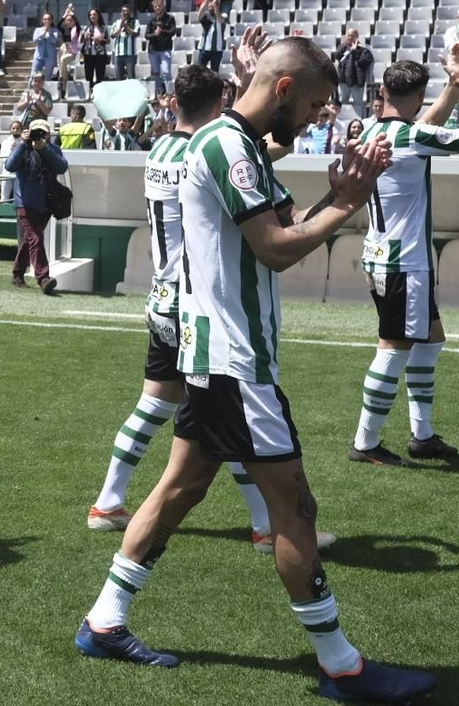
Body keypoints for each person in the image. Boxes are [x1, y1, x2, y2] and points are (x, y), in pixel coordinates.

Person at [73, 35, 437, 706]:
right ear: (284, 90)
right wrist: (349, 202)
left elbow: (277, 221)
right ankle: (342, 666)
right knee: (294, 511)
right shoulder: (226, 143)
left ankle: (104, 619)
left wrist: (332, 196)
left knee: (180, 489)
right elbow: (274, 248)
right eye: (315, 105)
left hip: (218, 358)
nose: (316, 118)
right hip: (236, 364)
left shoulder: (233, 142)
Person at [89, 62, 322, 557]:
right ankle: (265, 526)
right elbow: (254, 162)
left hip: (161, 295)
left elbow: (255, 149)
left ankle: (109, 500)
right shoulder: (210, 149)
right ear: (220, 103)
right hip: (197, 301)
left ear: (174, 102)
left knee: (165, 408)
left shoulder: (162, 149)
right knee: (225, 407)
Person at [350, 51, 459, 467]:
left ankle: (422, 436)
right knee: (394, 348)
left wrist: (454, 83)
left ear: (382, 91)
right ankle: (365, 442)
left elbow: (423, 123)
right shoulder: (412, 138)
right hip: (403, 263)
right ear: (419, 94)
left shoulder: (373, 129)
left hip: (382, 256)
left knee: (431, 339)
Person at [6, 118, 67, 293]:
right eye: (36, 131)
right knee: (36, 239)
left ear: (48, 135)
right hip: (24, 203)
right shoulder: (22, 148)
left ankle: (17, 273)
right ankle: (43, 278)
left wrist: (45, 148)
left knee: (29, 240)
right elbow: (9, 166)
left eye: (42, 132)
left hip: (46, 204)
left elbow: (62, 167)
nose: (39, 135)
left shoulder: (52, 149)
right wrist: (23, 144)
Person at [333, 28, 373, 107]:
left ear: (357, 36)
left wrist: (355, 50)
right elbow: (337, 56)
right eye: (348, 35)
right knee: (342, 103)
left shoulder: (363, 49)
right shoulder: (342, 47)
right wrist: (344, 46)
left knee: (358, 103)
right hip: (343, 81)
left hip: (357, 81)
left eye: (352, 35)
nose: (350, 37)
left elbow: (364, 61)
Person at [145, 0, 175, 95]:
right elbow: (147, 35)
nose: (158, 8)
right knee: (156, 73)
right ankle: (159, 95)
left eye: (159, 6)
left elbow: (172, 32)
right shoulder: (151, 20)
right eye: (155, 7)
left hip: (165, 49)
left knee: (166, 72)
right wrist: (155, 34)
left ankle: (170, 94)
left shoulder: (170, 18)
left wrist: (162, 32)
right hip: (153, 50)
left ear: (163, 6)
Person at [110, 5, 140, 82]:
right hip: (118, 53)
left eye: (127, 11)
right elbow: (112, 35)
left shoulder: (135, 22)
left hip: (130, 53)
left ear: (130, 12)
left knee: (131, 76)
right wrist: (120, 28)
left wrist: (126, 26)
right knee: (119, 76)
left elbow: (135, 34)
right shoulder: (116, 22)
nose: (125, 12)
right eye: (123, 11)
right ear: (121, 13)